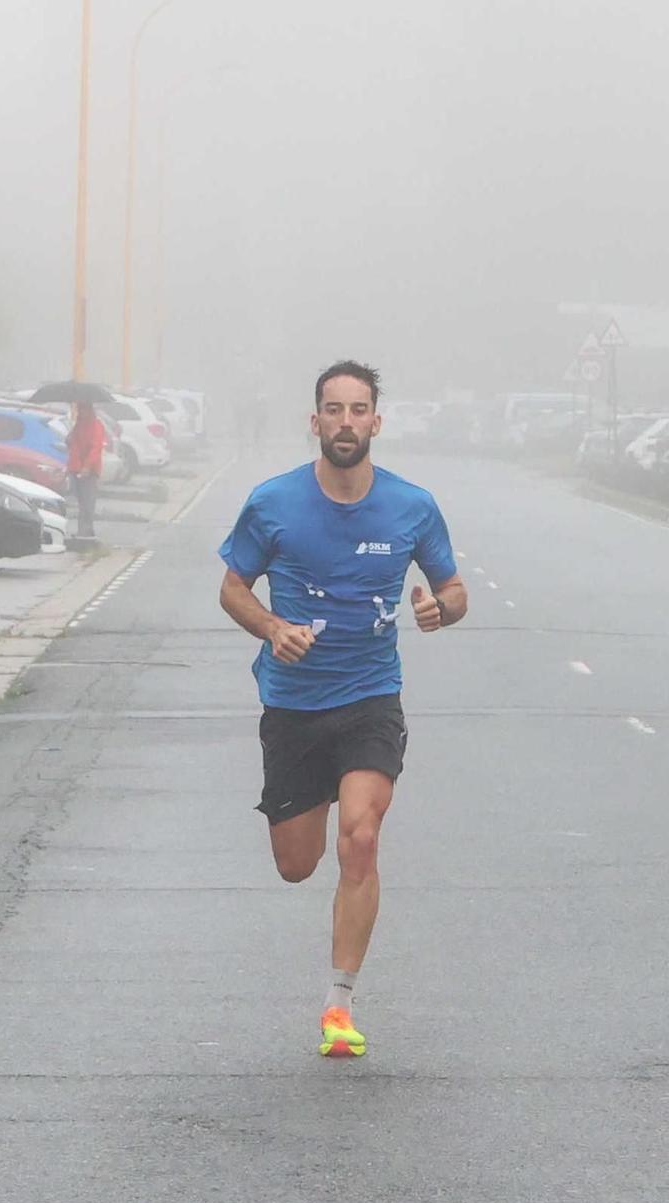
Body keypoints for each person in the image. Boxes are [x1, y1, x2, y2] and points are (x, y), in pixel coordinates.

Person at [217, 360, 468, 1058]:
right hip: (293, 703)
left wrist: (435, 607)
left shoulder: (412, 506)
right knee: (297, 864)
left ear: (377, 422)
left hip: (369, 697)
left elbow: (454, 590)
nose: (347, 422)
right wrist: (273, 628)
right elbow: (232, 587)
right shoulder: (273, 503)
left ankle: (338, 1004)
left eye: (360, 410)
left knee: (361, 835)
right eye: (335, 410)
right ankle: (315, 796)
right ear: (316, 421)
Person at [66, 400, 106, 543]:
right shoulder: (78, 425)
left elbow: (96, 449)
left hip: (90, 471)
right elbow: (73, 445)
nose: (80, 412)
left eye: (82, 409)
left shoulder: (96, 426)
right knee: (82, 502)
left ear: (89, 410)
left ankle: (85, 532)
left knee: (88, 502)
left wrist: (87, 466)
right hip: (76, 469)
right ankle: (84, 531)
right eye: (78, 410)